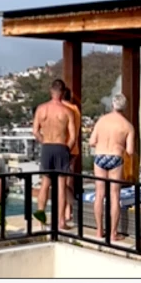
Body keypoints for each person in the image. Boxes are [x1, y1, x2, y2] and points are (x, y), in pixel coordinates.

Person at [89, 94, 135, 241]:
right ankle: (113, 233)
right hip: (116, 157)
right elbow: (130, 151)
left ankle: (98, 231)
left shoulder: (101, 121)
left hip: (100, 156)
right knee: (115, 196)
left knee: (99, 193)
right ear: (125, 108)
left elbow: (91, 142)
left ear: (112, 106)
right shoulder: (127, 126)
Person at [33, 78, 76, 230]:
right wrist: (66, 148)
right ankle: (61, 222)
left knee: (45, 184)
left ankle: (40, 220)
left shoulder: (41, 109)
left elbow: (35, 132)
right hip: (60, 146)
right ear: (63, 93)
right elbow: (73, 135)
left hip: (47, 146)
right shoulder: (67, 111)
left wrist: (44, 141)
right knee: (61, 185)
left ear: (51, 91)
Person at [62, 88, 82, 222]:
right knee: (68, 182)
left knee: (61, 183)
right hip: (73, 149)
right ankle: (68, 211)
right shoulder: (75, 109)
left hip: (64, 148)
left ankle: (70, 208)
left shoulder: (63, 109)